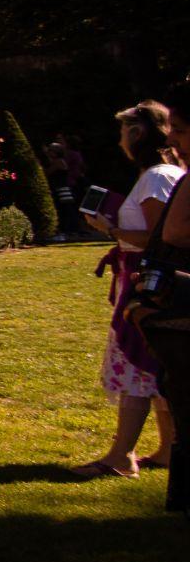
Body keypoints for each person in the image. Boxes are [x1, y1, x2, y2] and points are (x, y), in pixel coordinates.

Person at [74, 101, 182, 477]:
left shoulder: (155, 177)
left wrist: (112, 231)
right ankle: (168, 449)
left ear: (137, 134)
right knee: (157, 364)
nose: (120, 139)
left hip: (146, 281)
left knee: (135, 359)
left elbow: (159, 237)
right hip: (145, 274)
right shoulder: (168, 174)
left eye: (123, 131)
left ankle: (122, 456)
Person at [129, 82, 190, 513]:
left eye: (183, 131)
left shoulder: (160, 176)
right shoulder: (179, 174)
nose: (172, 140)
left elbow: (169, 234)